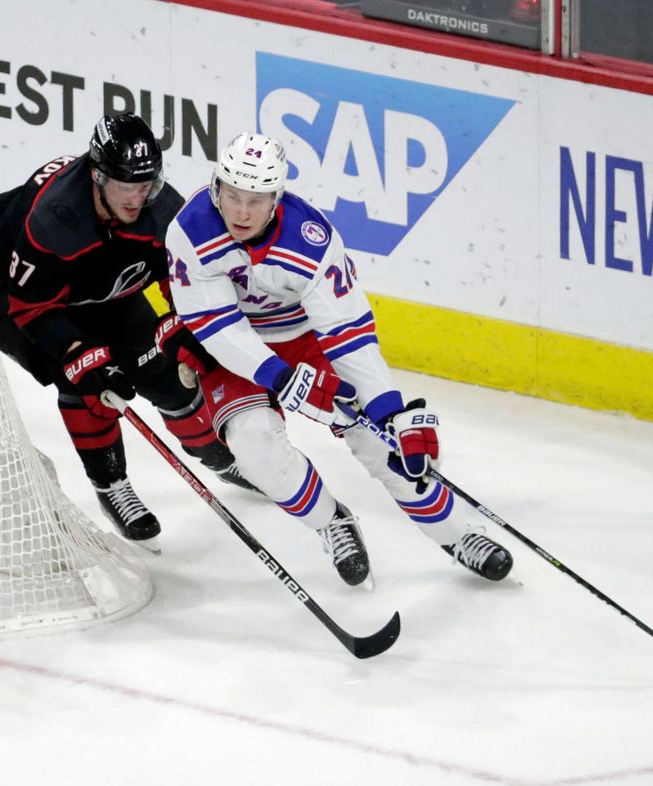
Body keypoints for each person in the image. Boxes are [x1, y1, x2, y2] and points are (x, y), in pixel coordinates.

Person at [162, 132, 513, 586]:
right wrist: (279, 377)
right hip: (233, 349)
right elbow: (217, 324)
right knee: (254, 447)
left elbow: (347, 331)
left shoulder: (310, 238)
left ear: (276, 198)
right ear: (217, 188)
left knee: (382, 443)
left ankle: (458, 534)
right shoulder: (190, 230)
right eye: (233, 196)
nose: (242, 212)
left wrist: (388, 410)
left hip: (305, 338)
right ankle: (332, 522)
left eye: (256, 199)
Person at [0, 112, 252, 549]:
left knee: (163, 368)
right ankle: (111, 484)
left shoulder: (162, 209)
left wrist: (181, 323)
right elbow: (32, 307)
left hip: (98, 287)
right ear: (97, 175)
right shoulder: (55, 218)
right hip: (6, 291)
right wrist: (78, 352)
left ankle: (215, 454)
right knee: (86, 380)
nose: (139, 197)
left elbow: (181, 276)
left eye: (147, 184)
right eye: (127, 186)